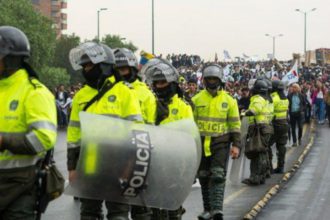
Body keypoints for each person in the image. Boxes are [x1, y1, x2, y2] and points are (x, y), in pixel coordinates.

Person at [69, 42, 143, 220]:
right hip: (89, 166)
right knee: (89, 215)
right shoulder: (80, 96)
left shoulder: (124, 92)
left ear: (103, 65)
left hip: (119, 165)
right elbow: (73, 134)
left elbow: (137, 132)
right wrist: (72, 168)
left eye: (89, 65)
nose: (86, 70)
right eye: (84, 66)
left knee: (118, 215)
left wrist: (130, 167)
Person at [0, 26, 57, 219]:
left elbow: (43, 139)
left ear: (10, 59)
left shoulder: (35, 92)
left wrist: (3, 141)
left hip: (20, 185)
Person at [143, 58, 194, 220]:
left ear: (171, 83)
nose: (159, 86)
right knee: (155, 207)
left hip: (175, 163)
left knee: (173, 205)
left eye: (163, 82)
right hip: (154, 160)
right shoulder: (149, 104)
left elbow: (190, 138)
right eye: (156, 83)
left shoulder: (183, 107)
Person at [192, 64, 241, 220]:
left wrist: (236, 145)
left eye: (215, 78)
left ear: (220, 80)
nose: (212, 81)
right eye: (209, 79)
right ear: (205, 80)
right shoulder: (196, 99)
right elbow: (190, 123)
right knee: (204, 176)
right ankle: (207, 209)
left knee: (218, 175)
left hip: (220, 143)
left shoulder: (229, 101)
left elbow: (235, 125)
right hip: (201, 144)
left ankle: (217, 210)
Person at [114, 48, 156, 220]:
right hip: (114, 152)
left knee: (140, 205)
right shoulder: (109, 90)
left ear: (132, 69)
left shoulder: (145, 93)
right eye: (117, 70)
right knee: (117, 206)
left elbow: (151, 126)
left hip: (139, 153)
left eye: (123, 69)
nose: (120, 73)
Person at [242, 79, 273, 186]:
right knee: (263, 153)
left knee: (256, 153)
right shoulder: (269, 99)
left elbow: (254, 110)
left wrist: (244, 113)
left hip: (258, 128)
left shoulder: (258, 99)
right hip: (267, 127)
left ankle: (255, 178)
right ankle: (262, 176)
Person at [269, 80, 289, 173]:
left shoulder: (273, 98)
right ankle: (281, 167)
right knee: (281, 147)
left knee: (267, 145)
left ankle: (269, 167)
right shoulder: (285, 99)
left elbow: (268, 111)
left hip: (275, 125)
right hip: (284, 124)